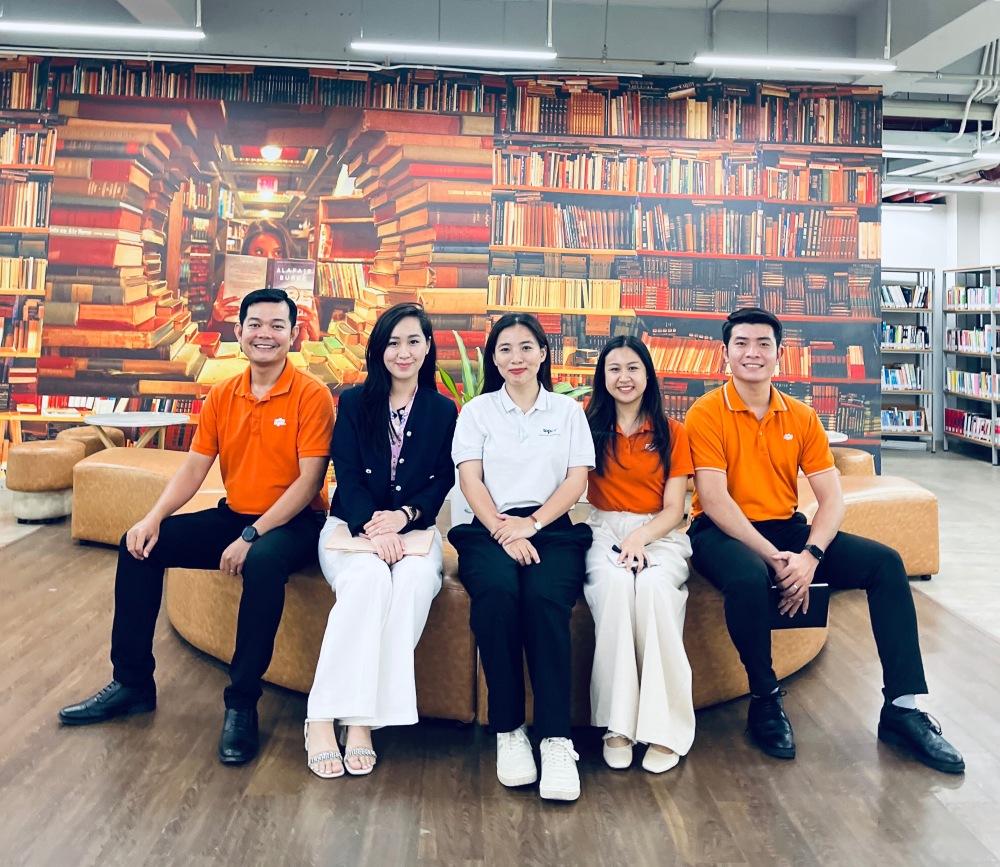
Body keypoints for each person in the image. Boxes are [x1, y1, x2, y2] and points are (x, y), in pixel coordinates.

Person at [59, 289, 334, 766]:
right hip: (236, 514)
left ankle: (242, 705)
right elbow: (193, 469)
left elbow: (308, 481)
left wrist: (252, 535)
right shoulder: (223, 394)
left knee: (263, 562)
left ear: (294, 334)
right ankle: (132, 683)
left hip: (294, 523)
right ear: (239, 331)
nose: (265, 334)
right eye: (255, 324)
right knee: (138, 546)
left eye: (277, 325)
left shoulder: (312, 395)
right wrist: (153, 518)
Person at [684, 306, 964, 774]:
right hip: (720, 530)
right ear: (725, 353)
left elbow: (832, 500)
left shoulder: (800, 415)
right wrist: (775, 558)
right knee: (749, 578)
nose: (752, 353)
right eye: (742, 344)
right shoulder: (706, 413)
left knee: (885, 563)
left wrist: (810, 555)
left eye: (764, 344)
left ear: (779, 354)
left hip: (785, 525)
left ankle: (903, 708)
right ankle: (764, 699)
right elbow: (714, 500)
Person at [304, 303, 457, 778]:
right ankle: (320, 717)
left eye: (413, 341)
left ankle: (361, 721)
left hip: (414, 533)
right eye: (393, 342)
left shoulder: (442, 410)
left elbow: (442, 479)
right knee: (368, 581)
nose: (403, 352)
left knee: (413, 584)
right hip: (351, 529)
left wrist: (403, 517)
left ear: (427, 347)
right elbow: (346, 475)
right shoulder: (353, 402)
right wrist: (375, 525)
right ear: (378, 350)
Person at [449, 312, 596, 802]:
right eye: (505, 349)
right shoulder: (477, 412)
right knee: (496, 595)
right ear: (493, 358)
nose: (517, 358)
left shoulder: (567, 412)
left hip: (550, 529)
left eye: (526, 347)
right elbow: (470, 478)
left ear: (543, 354)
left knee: (545, 602)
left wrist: (531, 525)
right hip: (487, 528)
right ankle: (509, 730)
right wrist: (502, 529)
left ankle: (555, 740)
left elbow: (576, 480)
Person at [583, 336, 695, 774]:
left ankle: (664, 728)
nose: (624, 377)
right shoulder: (587, 426)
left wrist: (640, 538)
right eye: (614, 369)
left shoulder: (672, 432)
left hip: (660, 533)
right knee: (613, 588)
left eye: (633, 368)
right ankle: (617, 725)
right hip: (603, 530)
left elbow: (675, 509)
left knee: (652, 591)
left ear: (648, 375)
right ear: (603, 377)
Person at [211, 220, 318, 342]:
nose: (269, 258)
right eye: (259, 252)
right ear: (247, 254)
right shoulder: (230, 289)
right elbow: (214, 343)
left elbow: (301, 347)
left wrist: (314, 335)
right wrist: (216, 319)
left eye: (277, 252)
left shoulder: (299, 291)